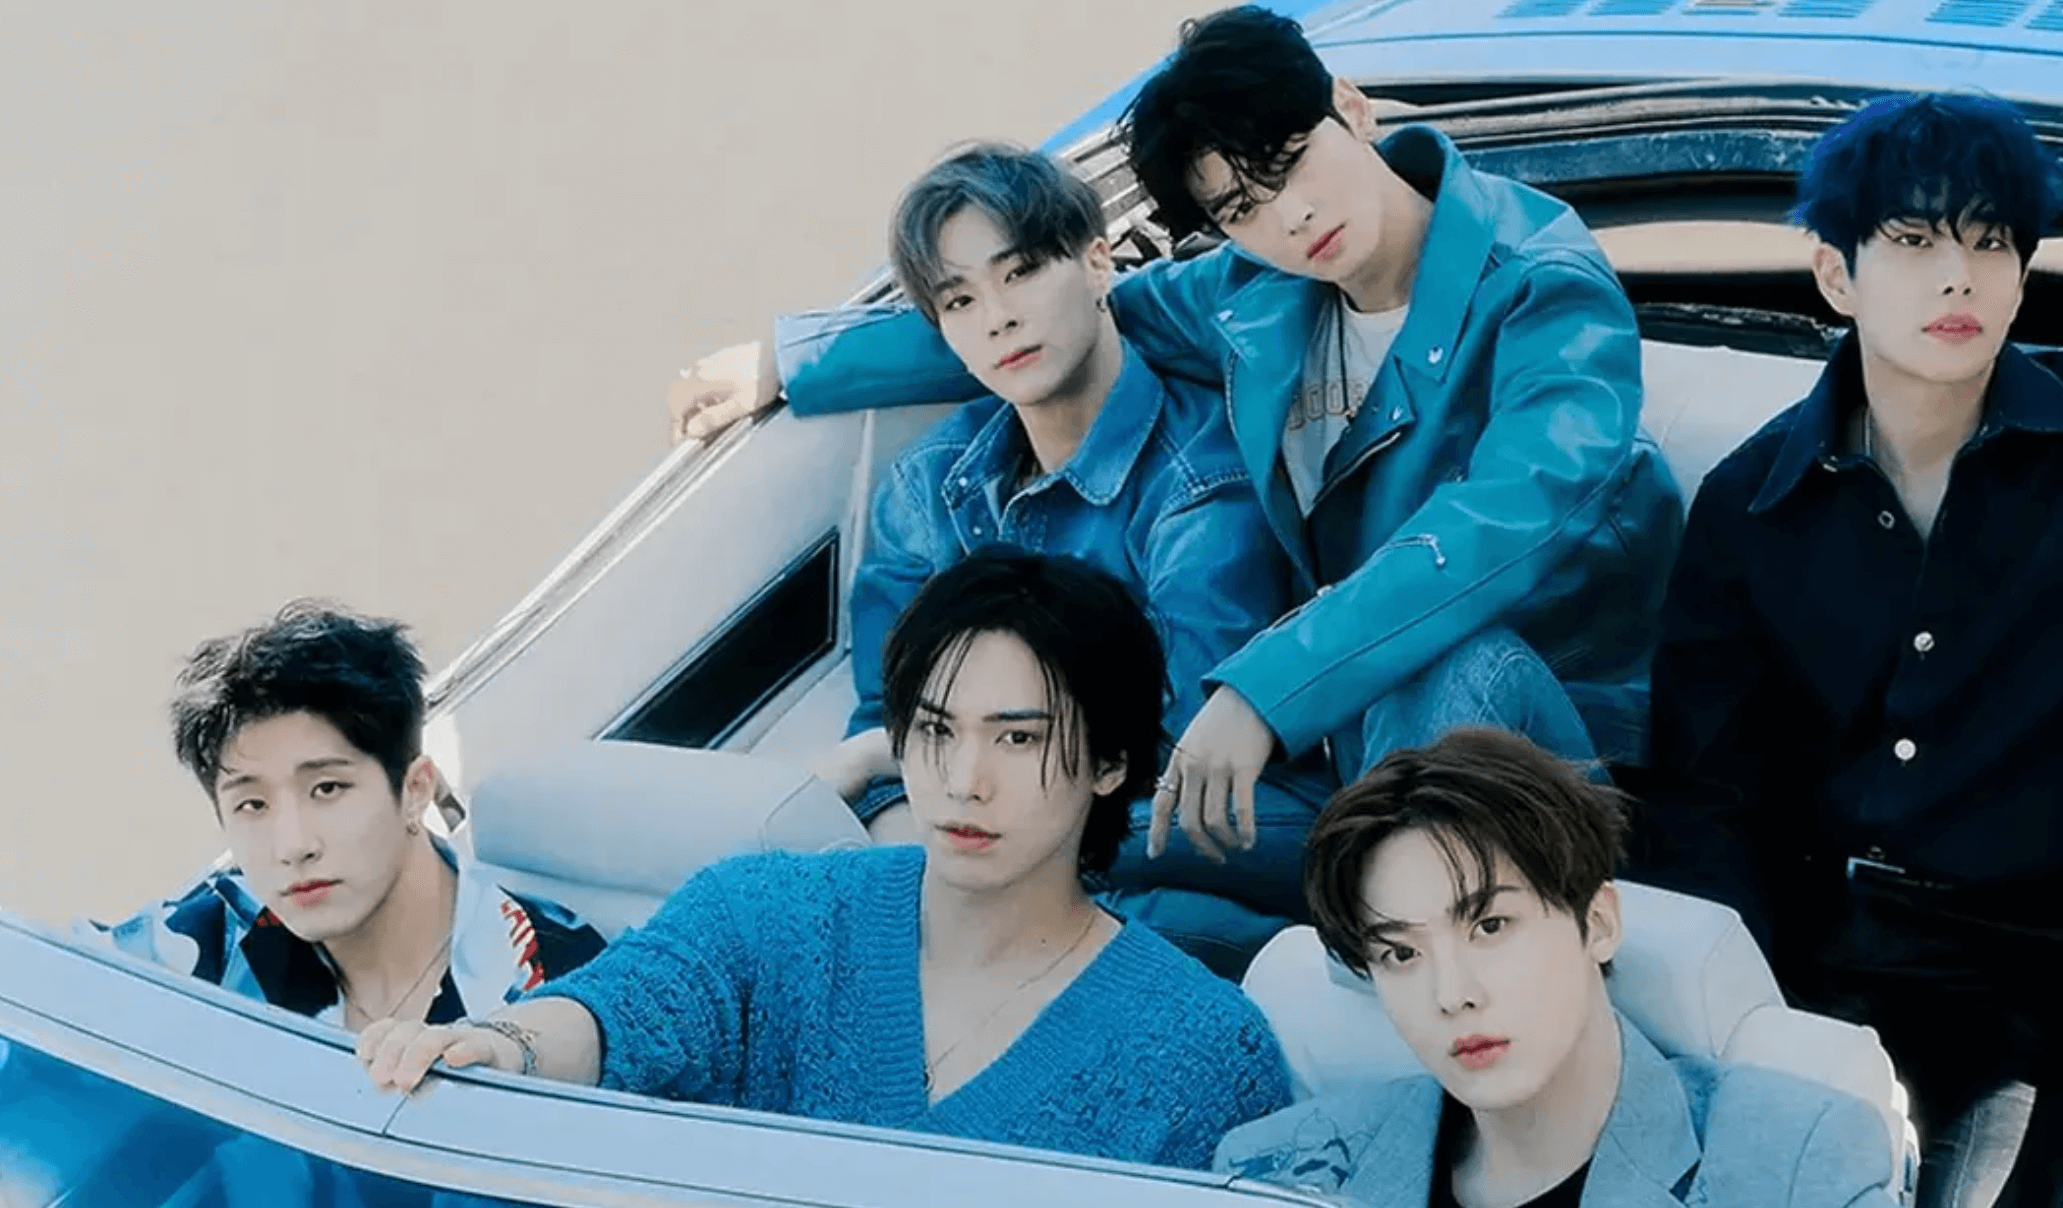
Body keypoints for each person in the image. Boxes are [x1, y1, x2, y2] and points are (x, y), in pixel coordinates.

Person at [665, 6, 1683, 850]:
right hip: (1348, 722)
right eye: (1240, 208)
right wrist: (794, 365)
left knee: (1447, 666)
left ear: (1351, 107)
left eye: (1291, 162)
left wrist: (1262, 687)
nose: (1288, 218)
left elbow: (1493, 533)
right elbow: (1063, 315)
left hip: (1553, 729)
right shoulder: (1259, 289)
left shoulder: (1544, 289)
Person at [1647, 92, 2063, 1207]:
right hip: (1783, 968)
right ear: (1836, 274)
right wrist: (1742, 1022)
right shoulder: (1751, 499)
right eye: (1914, 241)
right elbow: (1701, 797)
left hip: (2011, 995)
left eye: (1990, 241)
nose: (1958, 277)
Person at [356, 549, 1295, 1172]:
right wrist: (501, 1048)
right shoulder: (770, 915)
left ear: (1111, 762)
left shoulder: (1206, 1049)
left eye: (1018, 739)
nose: (964, 781)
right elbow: (621, 1012)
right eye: (935, 730)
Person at [811, 142, 1331, 975]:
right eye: (960, 300)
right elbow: (883, 712)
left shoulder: (1202, 475)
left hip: (1220, 803)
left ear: (1096, 263)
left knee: (1074, 901)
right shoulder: (928, 486)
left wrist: (909, 774)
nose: (998, 318)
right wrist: (905, 829)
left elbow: (1176, 736)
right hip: (1023, 818)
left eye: (1020, 273)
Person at [1214, 728, 1895, 1208]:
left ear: (1597, 923)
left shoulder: (1794, 1163)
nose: (1452, 995)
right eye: (1401, 954)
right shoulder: (1273, 1170)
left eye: (1490, 926)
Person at [86, 600, 605, 1030]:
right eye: (253, 805)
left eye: (327, 789)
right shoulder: (216, 939)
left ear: (415, 790)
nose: (293, 846)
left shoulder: (552, 977)